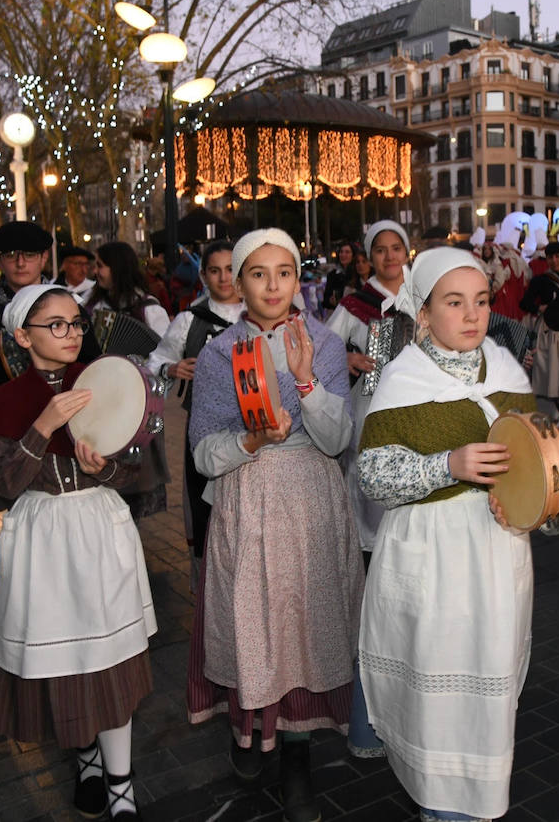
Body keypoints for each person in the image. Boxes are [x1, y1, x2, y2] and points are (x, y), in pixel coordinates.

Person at [186, 228, 363, 822]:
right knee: (253, 627)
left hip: (312, 501)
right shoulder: (218, 354)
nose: (272, 286)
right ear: (238, 281)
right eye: (257, 274)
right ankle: (246, 732)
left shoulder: (324, 342)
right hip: (248, 500)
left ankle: (296, 761)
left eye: (283, 273)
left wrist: (309, 383)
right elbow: (202, 453)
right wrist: (251, 439)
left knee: (306, 631)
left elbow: (338, 439)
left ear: (297, 278)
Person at [356, 247, 535, 822]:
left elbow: (537, 467)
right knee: (436, 682)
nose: (472, 315)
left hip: (497, 552)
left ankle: (478, 797)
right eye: (454, 303)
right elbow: (375, 477)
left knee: (487, 674)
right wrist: (447, 466)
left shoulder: (508, 372)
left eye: (481, 301)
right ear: (425, 312)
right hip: (432, 552)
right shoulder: (403, 378)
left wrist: (531, 509)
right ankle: (440, 804)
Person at [0, 284, 155, 822]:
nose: (71, 333)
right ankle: (87, 765)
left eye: (76, 322)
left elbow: (138, 469)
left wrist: (107, 470)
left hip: (99, 526)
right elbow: (2, 483)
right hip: (43, 535)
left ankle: (121, 785)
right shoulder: (6, 401)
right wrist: (44, 426)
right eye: (55, 325)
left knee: (113, 663)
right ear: (21, 335)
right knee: (70, 663)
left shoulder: (107, 380)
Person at [146, 241, 242, 585]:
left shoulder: (261, 312)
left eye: (231, 269)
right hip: (205, 432)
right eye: (215, 270)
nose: (223, 278)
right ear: (203, 275)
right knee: (206, 511)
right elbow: (154, 362)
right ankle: (210, 594)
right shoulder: (190, 320)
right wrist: (171, 370)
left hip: (256, 430)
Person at [325, 220, 412, 553]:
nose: (389, 256)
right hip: (372, 410)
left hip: (420, 409)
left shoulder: (425, 296)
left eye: (395, 249)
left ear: (406, 252)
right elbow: (323, 347)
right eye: (380, 250)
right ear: (370, 257)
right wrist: (345, 357)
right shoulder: (356, 304)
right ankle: (370, 555)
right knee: (372, 495)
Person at [0, 222, 91, 403]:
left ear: (44, 258)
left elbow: (90, 366)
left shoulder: (70, 307)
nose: (20, 263)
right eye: (11, 255)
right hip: (4, 416)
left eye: (30, 255)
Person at [85, 241, 172, 519]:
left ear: (117, 267)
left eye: (100, 265)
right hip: (97, 406)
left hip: (135, 407)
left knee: (135, 487)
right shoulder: (89, 306)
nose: (95, 271)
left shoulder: (149, 308)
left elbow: (165, 357)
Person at [520, 241, 559, 403]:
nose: (554, 261)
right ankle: (550, 394)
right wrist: (538, 308)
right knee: (550, 361)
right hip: (549, 327)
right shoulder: (540, 280)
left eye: (558, 256)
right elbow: (525, 302)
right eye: (551, 257)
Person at [321, 240, 358, 313]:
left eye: (347, 252)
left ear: (353, 255)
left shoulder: (357, 273)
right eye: (341, 252)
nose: (343, 255)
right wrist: (330, 301)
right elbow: (325, 301)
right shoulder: (332, 275)